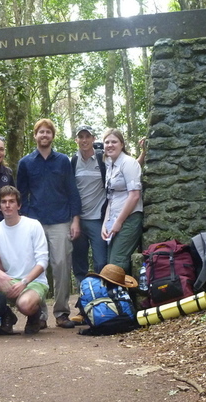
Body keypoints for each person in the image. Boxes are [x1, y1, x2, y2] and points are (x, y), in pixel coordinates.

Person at [16, 118, 82, 329]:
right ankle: (40, 315)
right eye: (40, 132)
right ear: (35, 135)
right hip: (34, 222)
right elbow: (21, 195)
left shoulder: (62, 161)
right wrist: (24, 221)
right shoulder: (26, 163)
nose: (44, 135)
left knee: (62, 265)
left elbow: (72, 191)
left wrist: (75, 220)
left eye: (48, 132)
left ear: (53, 136)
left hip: (60, 220)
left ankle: (62, 312)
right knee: (36, 268)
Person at [0, 186, 49, 335]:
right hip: (9, 280)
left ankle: (34, 315)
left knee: (25, 305)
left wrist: (24, 282)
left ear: (18, 205)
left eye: (12, 202)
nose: (7, 205)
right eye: (4, 202)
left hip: (33, 281)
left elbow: (43, 262)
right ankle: (6, 313)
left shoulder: (33, 225)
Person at [69, 125, 107, 324]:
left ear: (93, 138)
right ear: (76, 140)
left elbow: (125, 168)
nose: (84, 140)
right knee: (80, 266)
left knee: (101, 263)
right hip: (78, 221)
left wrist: (142, 155)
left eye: (87, 136)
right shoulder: (72, 161)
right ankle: (84, 307)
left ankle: (103, 306)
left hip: (98, 220)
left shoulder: (103, 159)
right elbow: (68, 190)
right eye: (80, 137)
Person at [101, 128, 144, 274]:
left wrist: (119, 222)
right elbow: (111, 198)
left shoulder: (128, 162)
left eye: (114, 141)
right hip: (114, 218)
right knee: (111, 261)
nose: (110, 145)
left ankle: (119, 296)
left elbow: (134, 196)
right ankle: (123, 295)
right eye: (107, 142)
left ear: (122, 144)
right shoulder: (110, 165)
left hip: (129, 218)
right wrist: (105, 224)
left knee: (117, 262)